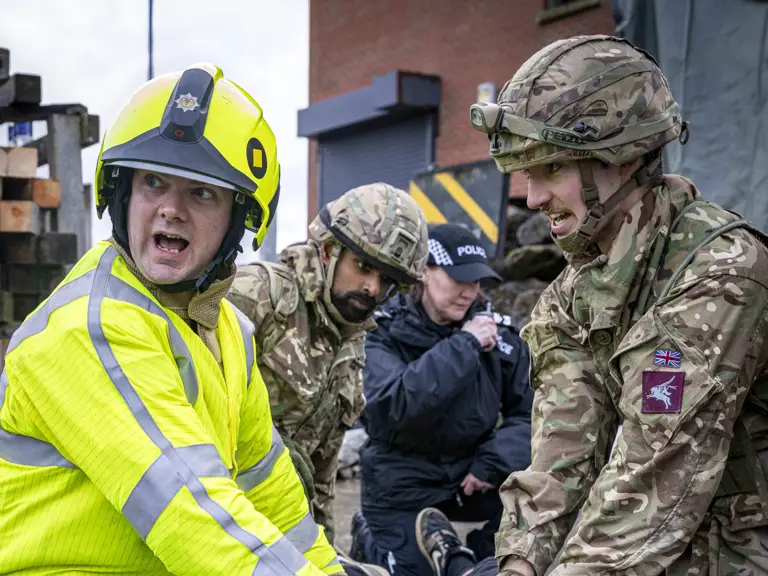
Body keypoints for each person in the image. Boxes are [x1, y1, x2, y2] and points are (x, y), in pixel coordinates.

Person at [0, 63, 343, 575]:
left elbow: (273, 501)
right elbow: (191, 511)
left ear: (238, 218)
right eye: (153, 182)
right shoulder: (92, 328)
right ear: (122, 195)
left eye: (201, 192)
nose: (170, 209)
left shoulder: (228, 332)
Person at [464, 34, 768, 575]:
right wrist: (520, 563)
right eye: (526, 174)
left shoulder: (722, 272)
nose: (533, 198)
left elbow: (651, 479)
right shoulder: (572, 294)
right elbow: (563, 457)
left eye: (550, 169)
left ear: (621, 156)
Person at [227, 182, 430, 546]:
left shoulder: (352, 343)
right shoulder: (258, 296)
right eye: (364, 266)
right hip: (219, 518)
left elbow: (322, 477)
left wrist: (322, 552)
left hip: (280, 529)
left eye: (387, 279)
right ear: (327, 250)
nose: (372, 287)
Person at [349, 223, 533, 576]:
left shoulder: (501, 335)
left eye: (476, 282)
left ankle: (460, 555)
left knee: (509, 558)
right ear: (424, 273)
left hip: (473, 476)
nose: (470, 292)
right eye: (458, 279)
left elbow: (533, 415)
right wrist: (465, 344)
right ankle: (371, 539)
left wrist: (492, 463)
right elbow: (389, 407)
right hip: (402, 481)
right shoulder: (381, 332)